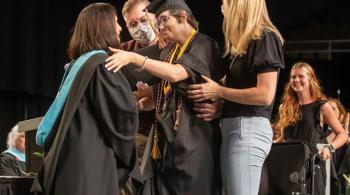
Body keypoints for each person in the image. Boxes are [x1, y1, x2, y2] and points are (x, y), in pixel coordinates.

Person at [105, 0, 224, 194]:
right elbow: (165, 92)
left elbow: (176, 74)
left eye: (163, 20)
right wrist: (142, 102)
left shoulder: (202, 43)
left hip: (194, 141)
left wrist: (135, 58)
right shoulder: (169, 52)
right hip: (167, 144)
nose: (159, 27)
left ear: (183, 17)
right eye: (158, 22)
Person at [31, 3, 140, 195]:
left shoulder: (78, 64)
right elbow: (121, 116)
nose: (120, 28)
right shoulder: (101, 65)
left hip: (68, 161)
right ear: (103, 25)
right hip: (91, 165)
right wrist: (136, 101)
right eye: (116, 22)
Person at [187, 0, 285, 194]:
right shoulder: (243, 44)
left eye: (226, 2)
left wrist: (219, 91)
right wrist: (221, 106)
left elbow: (265, 95)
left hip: (247, 129)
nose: (222, 6)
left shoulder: (265, 37)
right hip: (235, 129)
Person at [275, 62, 348, 195]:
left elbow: (342, 134)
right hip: (288, 163)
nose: (296, 80)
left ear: (311, 79)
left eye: (301, 76)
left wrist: (329, 148)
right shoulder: (284, 107)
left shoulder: (321, 106)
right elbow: (283, 138)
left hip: (312, 164)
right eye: (293, 77)